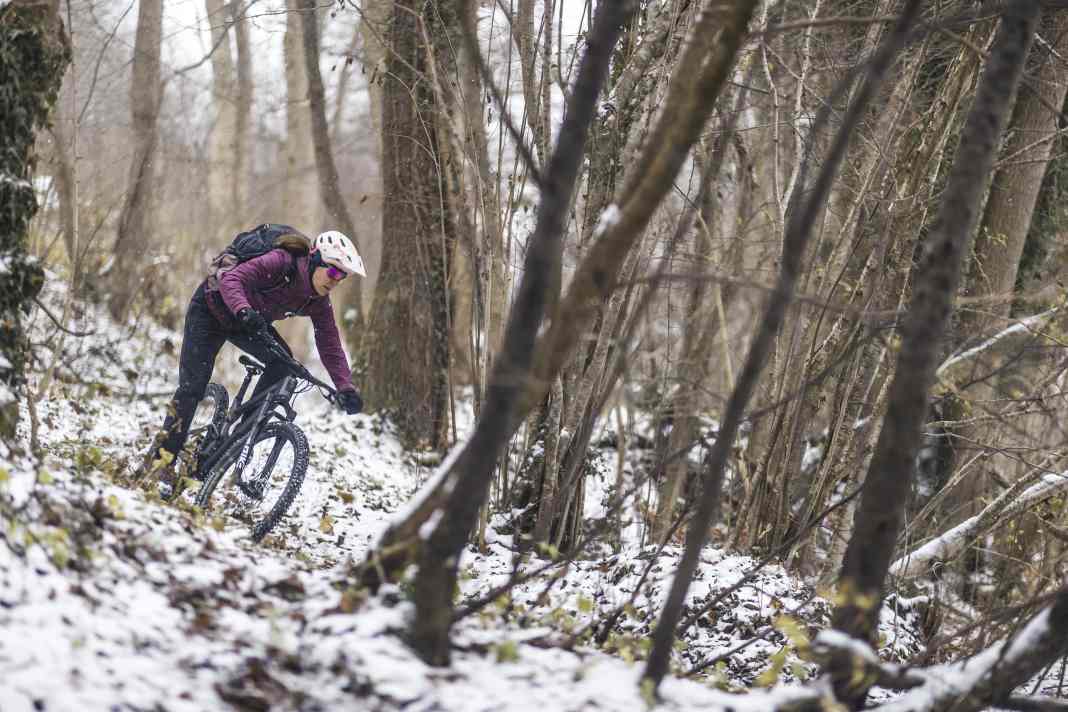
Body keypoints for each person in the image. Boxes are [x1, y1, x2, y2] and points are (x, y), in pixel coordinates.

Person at [141, 227, 365, 488]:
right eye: (334, 271)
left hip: (247, 323)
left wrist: (345, 387)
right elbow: (231, 280)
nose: (335, 281)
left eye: (342, 277)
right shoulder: (282, 262)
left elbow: (330, 344)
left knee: (284, 364)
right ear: (315, 259)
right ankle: (159, 463)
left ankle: (236, 440)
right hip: (211, 310)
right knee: (192, 387)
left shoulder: (318, 301)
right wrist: (244, 309)